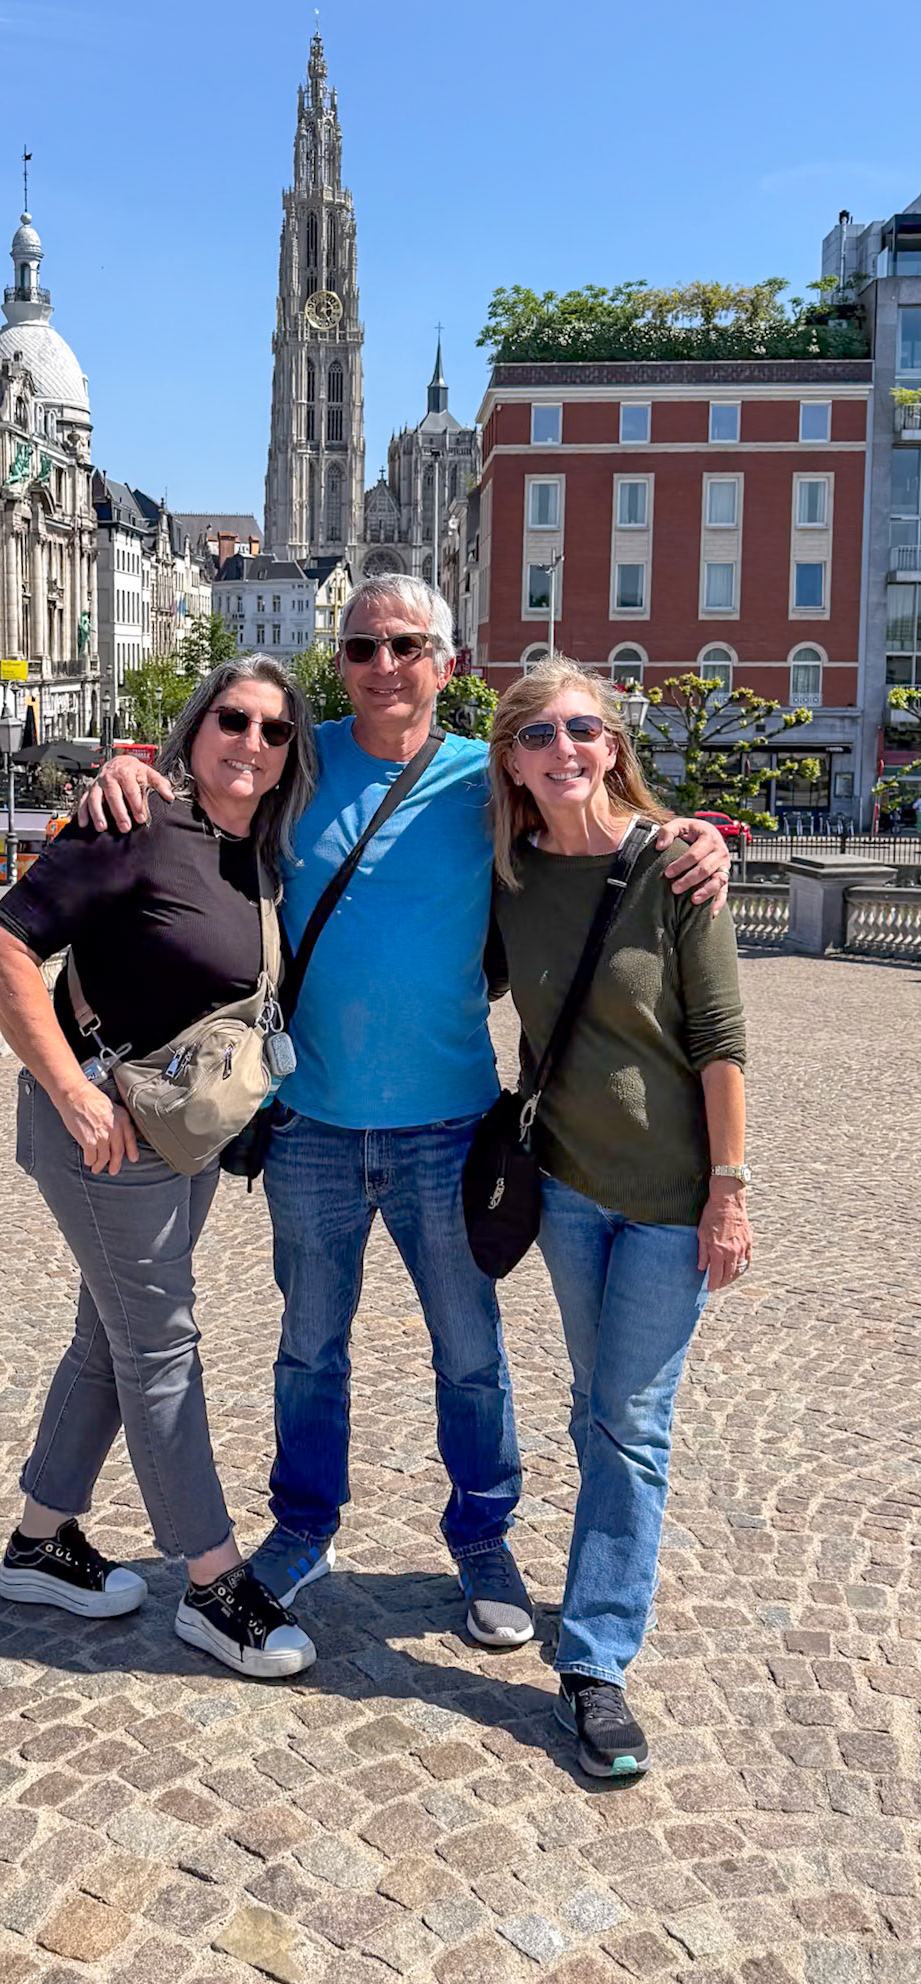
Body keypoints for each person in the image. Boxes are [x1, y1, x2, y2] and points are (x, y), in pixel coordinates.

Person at [83, 577, 732, 1650]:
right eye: (362, 647)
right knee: (308, 1349)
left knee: (470, 1353)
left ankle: (484, 1539)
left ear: (447, 661)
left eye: (406, 646)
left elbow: (594, 827)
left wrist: (697, 837)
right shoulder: (301, 757)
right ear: (340, 661)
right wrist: (125, 767)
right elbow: (212, 778)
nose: (383, 665)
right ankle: (304, 1527)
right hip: (311, 1121)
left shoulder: (491, 777)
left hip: (450, 1127)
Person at [0, 656, 323, 1679]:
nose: (251, 741)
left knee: (109, 1334)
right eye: (233, 719)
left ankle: (40, 1541)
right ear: (195, 726)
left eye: (274, 729)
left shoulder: (256, 850)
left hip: (183, 1134)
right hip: (107, 1137)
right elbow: (2, 945)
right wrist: (72, 1092)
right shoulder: (136, 822)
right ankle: (213, 1584)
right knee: (160, 1344)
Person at [485, 656, 752, 1779]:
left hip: (670, 1203)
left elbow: (721, 1041)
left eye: (584, 729)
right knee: (600, 1402)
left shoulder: (674, 868)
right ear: (512, 760)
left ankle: (595, 1661)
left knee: (632, 1422)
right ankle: (603, 1579)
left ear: (613, 745)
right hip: (565, 1190)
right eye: (539, 734)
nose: (565, 749)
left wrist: (729, 1189)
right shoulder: (507, 876)